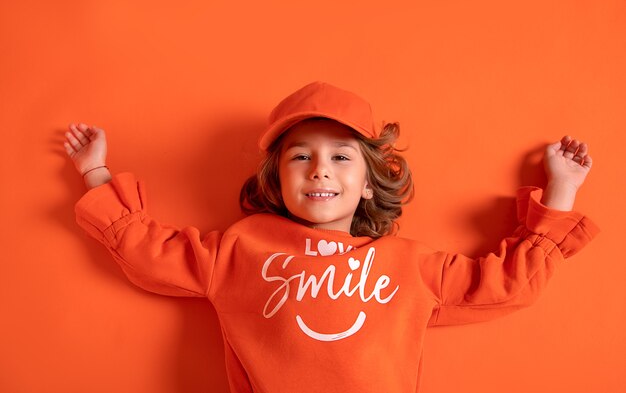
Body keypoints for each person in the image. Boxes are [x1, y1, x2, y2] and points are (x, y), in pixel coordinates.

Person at [64, 81, 599, 393]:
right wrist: (96, 173)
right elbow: (147, 251)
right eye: (300, 157)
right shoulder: (241, 250)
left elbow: (507, 283)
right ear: (277, 183)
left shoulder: (409, 267)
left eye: (340, 157)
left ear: (369, 185)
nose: (320, 170)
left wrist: (562, 189)